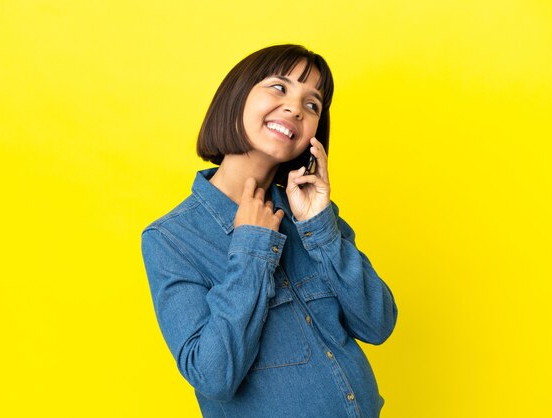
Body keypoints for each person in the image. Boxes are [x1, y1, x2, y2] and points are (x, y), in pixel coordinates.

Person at [141, 44, 398, 418]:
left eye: (312, 104)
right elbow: (213, 378)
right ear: (237, 96)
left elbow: (377, 324)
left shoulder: (312, 216)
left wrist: (320, 227)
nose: (295, 108)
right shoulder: (172, 239)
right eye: (279, 87)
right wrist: (250, 249)